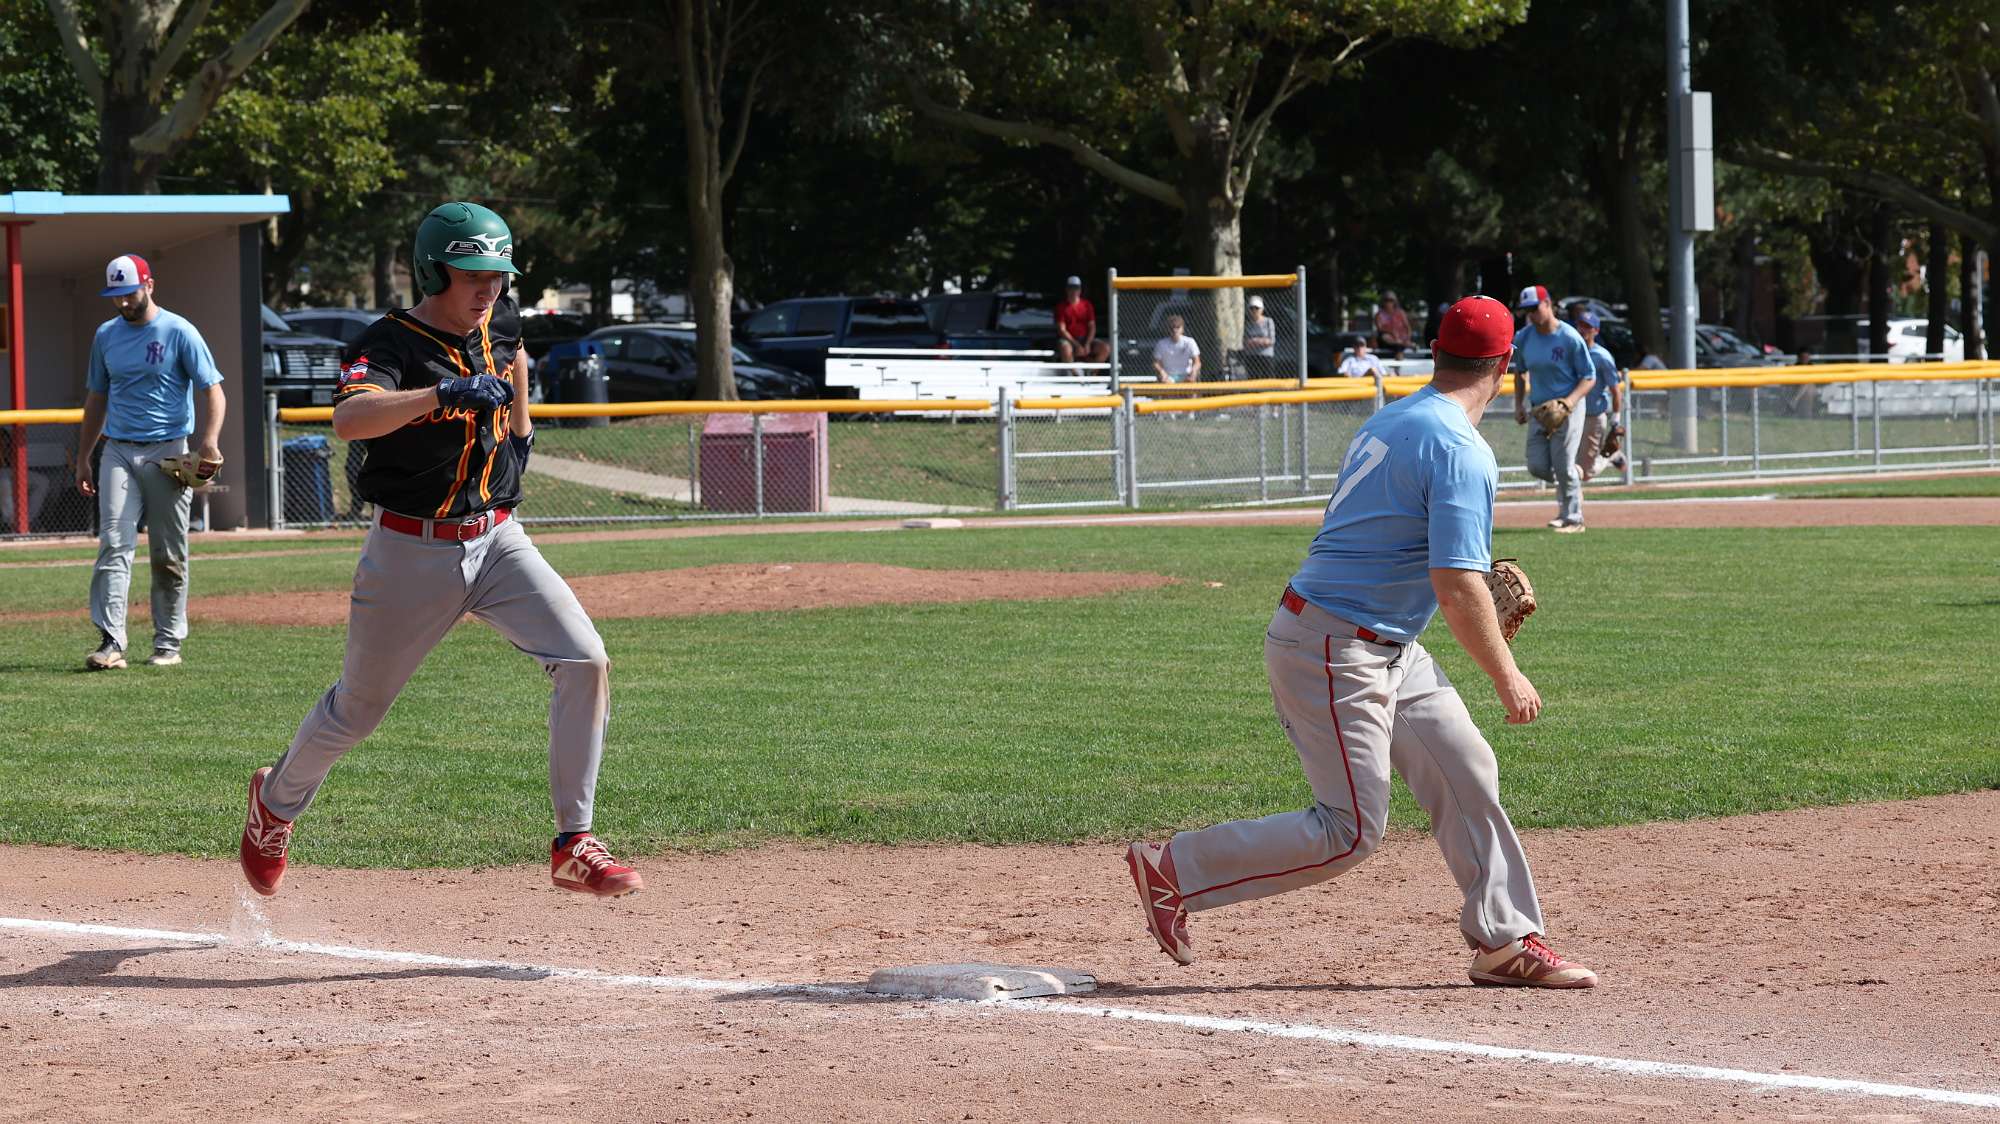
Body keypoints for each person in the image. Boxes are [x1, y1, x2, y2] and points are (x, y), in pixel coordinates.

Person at [1122, 295, 1597, 989]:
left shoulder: (1396, 417)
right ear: (1505, 365)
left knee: (1467, 769)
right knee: (1347, 831)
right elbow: (1456, 586)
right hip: (1335, 645)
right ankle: (1174, 870)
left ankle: (1505, 939)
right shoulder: (1460, 448)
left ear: (1435, 354)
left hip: (1385, 642)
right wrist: (1507, 675)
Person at [239, 201, 643, 901]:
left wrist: (521, 428)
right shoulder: (390, 343)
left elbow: (515, 358)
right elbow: (350, 418)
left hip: (496, 538)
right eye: (473, 274)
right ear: (434, 272)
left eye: (497, 274)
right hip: (410, 551)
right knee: (357, 711)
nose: (489, 287)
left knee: (586, 660)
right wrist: (440, 393)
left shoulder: (502, 322)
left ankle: (573, 842)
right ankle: (274, 805)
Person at [74, 253, 227, 670]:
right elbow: (97, 398)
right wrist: (84, 457)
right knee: (114, 542)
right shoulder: (106, 335)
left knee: (168, 550)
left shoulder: (179, 331)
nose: (123, 302)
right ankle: (111, 641)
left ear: (149, 285)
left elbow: (213, 389)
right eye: (116, 296)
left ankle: (168, 641)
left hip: (169, 450)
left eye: (130, 293)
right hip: (118, 449)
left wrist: (209, 441)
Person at [1511, 284, 1595, 532]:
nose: (1531, 314)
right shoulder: (1523, 338)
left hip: (1568, 407)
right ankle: (1573, 475)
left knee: (1563, 465)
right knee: (1536, 466)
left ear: (1548, 304)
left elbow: (1589, 376)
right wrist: (1518, 404)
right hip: (1539, 409)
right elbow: (1520, 373)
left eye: (1535, 308)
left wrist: (1569, 402)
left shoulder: (1569, 337)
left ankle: (1573, 518)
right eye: (1527, 310)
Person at [1573, 311, 1624, 481]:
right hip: (1572, 415)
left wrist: (1616, 420)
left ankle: (1609, 457)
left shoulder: (1602, 357)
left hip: (1593, 417)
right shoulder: (1571, 351)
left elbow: (1615, 390)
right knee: (1568, 463)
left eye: (1588, 327)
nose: (1583, 330)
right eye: (1581, 325)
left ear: (1596, 331)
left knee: (1585, 472)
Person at [1054, 276, 1110, 364]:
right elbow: (1062, 330)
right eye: (1071, 288)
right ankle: (1074, 372)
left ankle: (1091, 372)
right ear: (1067, 289)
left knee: (1105, 348)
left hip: (1085, 339)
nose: (1074, 291)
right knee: (1065, 348)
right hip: (1069, 340)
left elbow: (1092, 327)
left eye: (1076, 288)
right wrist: (1076, 345)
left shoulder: (1087, 305)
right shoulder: (1061, 307)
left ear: (1080, 290)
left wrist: (1087, 343)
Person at [1151, 315, 1201, 382]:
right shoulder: (1161, 344)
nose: (1175, 330)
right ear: (1168, 329)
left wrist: (1193, 373)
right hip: (1168, 377)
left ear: (1182, 329)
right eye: (1172, 328)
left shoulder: (1190, 342)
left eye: (1178, 327)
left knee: (1191, 380)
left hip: (1187, 375)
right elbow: (1156, 363)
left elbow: (1197, 362)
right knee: (1164, 381)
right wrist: (1162, 373)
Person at [1242, 295, 1277, 378]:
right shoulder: (1247, 324)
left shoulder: (1268, 321)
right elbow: (1245, 342)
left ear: (1262, 309)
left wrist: (1254, 341)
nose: (1254, 311)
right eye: (1252, 308)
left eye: (1257, 308)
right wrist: (1262, 341)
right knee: (1253, 379)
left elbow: (1271, 341)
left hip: (1266, 356)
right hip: (1251, 356)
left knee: (1267, 378)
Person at [1374, 291, 1414, 358]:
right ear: (1383, 302)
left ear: (1395, 301)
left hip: (1401, 338)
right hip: (1388, 340)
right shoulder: (1379, 314)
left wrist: (1408, 338)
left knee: (1400, 343)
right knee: (1386, 337)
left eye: (1391, 300)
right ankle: (1404, 347)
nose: (1388, 303)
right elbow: (1379, 329)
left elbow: (1407, 327)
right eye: (1386, 300)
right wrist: (1391, 332)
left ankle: (1404, 346)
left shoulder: (1400, 313)